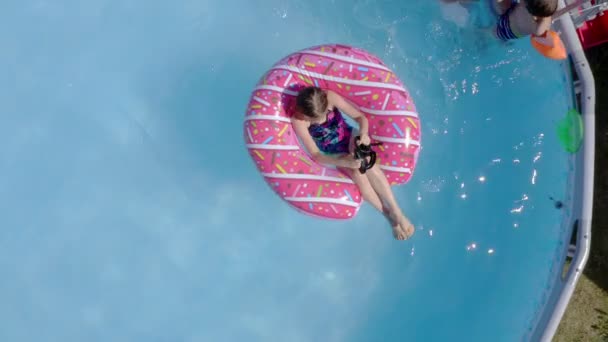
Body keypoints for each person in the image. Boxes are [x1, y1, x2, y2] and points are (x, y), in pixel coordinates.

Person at [290, 86, 415, 241]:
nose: (319, 120)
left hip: (350, 137)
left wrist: (363, 134)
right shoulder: (299, 120)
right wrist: (343, 161)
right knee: (357, 174)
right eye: (314, 120)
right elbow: (316, 155)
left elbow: (360, 118)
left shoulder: (330, 97)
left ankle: (396, 211)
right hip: (336, 153)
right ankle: (388, 217)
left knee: (366, 159)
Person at [441, 0, 561, 41]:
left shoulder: (524, 5)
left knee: (499, 4)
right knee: (488, 33)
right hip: (506, 31)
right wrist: (547, 17)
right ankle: (475, 34)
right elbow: (540, 33)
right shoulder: (538, 26)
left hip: (507, 16)